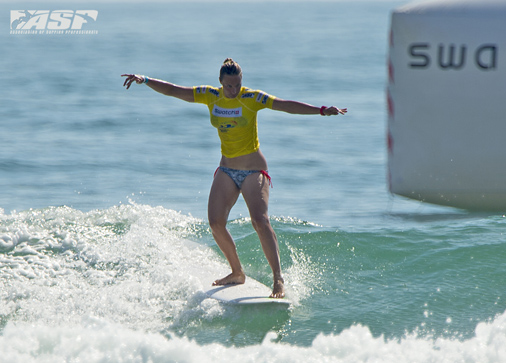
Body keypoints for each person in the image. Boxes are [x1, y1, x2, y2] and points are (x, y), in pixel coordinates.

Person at [122, 58, 347, 298]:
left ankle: (278, 279)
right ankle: (237, 271)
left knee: (260, 221)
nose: (234, 90)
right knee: (215, 222)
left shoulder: (252, 98)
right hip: (227, 170)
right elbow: (175, 91)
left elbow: (285, 105)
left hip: (253, 170)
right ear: (220, 83)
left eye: (237, 85)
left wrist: (320, 110)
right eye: (229, 86)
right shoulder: (210, 95)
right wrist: (145, 80)